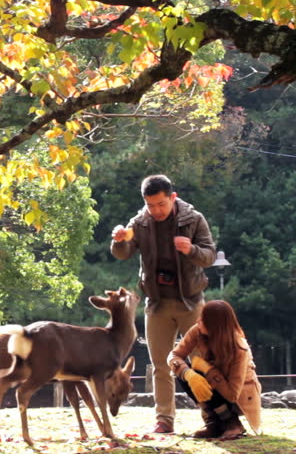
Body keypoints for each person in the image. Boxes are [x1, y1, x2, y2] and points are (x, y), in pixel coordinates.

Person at [110, 174, 216, 433]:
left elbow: (210, 256)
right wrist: (119, 240)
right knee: (160, 365)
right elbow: (122, 254)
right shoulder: (140, 222)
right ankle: (164, 420)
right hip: (157, 303)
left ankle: (212, 417)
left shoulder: (194, 219)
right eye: (150, 205)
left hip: (190, 302)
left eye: (161, 204)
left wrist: (191, 250)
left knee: (200, 361)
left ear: (173, 197)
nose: (156, 210)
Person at [167, 300, 262, 439]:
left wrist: (207, 369)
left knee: (201, 375)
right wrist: (189, 375)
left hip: (239, 398)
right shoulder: (198, 330)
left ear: (215, 325)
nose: (199, 320)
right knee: (183, 374)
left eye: (204, 319)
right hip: (217, 386)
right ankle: (214, 423)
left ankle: (233, 423)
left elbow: (232, 394)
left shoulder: (239, 347)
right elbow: (174, 355)